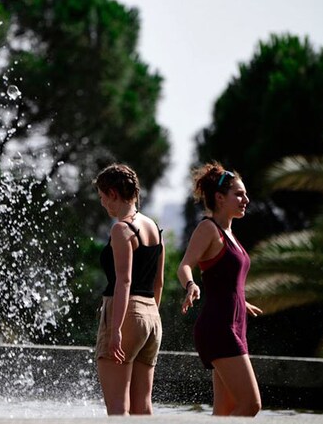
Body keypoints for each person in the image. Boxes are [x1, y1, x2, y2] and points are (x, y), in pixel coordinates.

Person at [177, 162, 263, 416]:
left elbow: (226, 279)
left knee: (224, 412)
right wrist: (191, 285)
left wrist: (240, 301)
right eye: (238, 194)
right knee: (250, 405)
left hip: (234, 325)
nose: (245, 199)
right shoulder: (209, 229)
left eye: (245, 194)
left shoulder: (230, 234)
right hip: (219, 328)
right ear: (219, 198)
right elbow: (184, 266)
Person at [93, 163, 165, 416]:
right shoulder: (155, 228)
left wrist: (115, 331)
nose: (103, 204)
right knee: (142, 408)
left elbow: (124, 281)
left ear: (113, 193)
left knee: (117, 409)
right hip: (151, 318)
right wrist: (150, 317)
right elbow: (159, 283)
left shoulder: (122, 229)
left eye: (103, 198)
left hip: (124, 314)